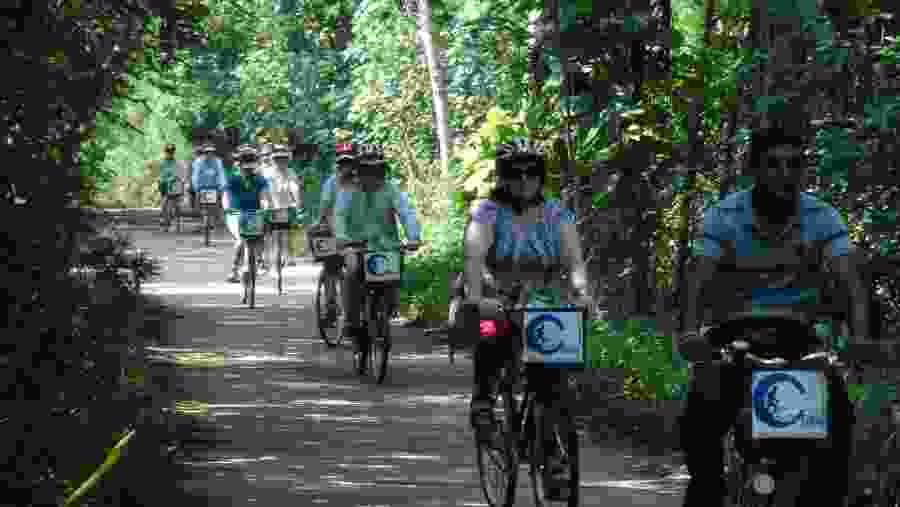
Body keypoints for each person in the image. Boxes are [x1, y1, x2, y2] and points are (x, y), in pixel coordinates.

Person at [677, 126, 870, 507]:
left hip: (798, 336)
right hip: (732, 334)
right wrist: (689, 333)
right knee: (700, 417)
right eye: (774, 165)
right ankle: (707, 491)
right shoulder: (724, 216)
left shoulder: (822, 217)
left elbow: (852, 284)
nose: (785, 174)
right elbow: (698, 280)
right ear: (754, 170)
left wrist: (859, 338)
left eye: (794, 165)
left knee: (838, 417)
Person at [461, 137, 593, 499]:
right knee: (490, 331)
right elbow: (474, 257)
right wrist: (477, 297)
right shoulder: (487, 213)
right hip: (498, 297)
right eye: (515, 173)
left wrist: (582, 293)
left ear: (540, 176)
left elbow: (575, 261)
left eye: (531, 173)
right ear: (502, 176)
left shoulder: (557, 214)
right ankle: (483, 401)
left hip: (545, 299)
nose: (523, 181)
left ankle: (553, 454)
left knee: (552, 380)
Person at [332, 144, 422, 373]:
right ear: (358, 171)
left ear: (383, 171)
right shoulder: (348, 191)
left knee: (394, 278)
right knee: (352, 273)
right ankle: (352, 322)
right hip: (355, 246)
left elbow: (406, 212)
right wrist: (342, 238)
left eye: (377, 171)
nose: (372, 176)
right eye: (366, 170)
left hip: (386, 247)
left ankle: (387, 310)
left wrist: (413, 237)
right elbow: (339, 216)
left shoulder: (391, 189)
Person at [223, 145, 275, 283]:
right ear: (239, 164)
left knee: (263, 235)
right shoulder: (233, 179)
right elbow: (226, 196)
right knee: (241, 240)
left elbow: (265, 196)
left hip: (255, 215)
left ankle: (261, 261)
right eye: (245, 162)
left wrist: (266, 207)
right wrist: (227, 208)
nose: (248, 168)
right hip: (236, 215)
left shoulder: (260, 180)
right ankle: (234, 269)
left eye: (251, 161)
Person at [263, 144, 304, 273]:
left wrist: (297, 204)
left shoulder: (290, 172)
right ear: (273, 160)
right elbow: (262, 190)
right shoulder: (267, 173)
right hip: (270, 207)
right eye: (278, 159)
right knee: (268, 234)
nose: (280, 162)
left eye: (283, 159)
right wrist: (264, 202)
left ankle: (287, 255)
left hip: (286, 207)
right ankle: (265, 258)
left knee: (287, 232)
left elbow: (294, 187)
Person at [192, 142, 227, 229]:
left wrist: (222, 186)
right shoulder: (198, 162)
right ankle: (203, 218)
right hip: (202, 187)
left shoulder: (218, 162)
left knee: (216, 204)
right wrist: (196, 187)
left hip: (214, 187)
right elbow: (195, 175)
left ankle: (215, 218)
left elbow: (221, 174)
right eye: (207, 152)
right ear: (204, 152)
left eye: (211, 152)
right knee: (201, 205)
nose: (209, 154)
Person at [158, 143, 182, 229]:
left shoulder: (177, 163)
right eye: (168, 152)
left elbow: (178, 173)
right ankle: (165, 219)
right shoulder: (162, 163)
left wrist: (175, 178)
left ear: (174, 153)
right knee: (164, 203)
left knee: (176, 204)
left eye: (171, 152)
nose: (170, 154)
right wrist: (161, 180)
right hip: (165, 185)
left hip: (174, 185)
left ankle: (176, 220)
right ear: (165, 152)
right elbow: (161, 174)